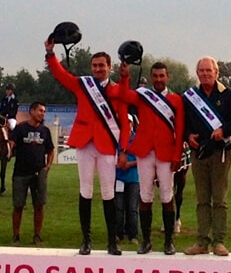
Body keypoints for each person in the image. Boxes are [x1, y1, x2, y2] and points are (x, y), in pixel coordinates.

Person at [45, 38, 129, 256]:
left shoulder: (118, 90)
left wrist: (124, 149)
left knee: (108, 193)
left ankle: (112, 242)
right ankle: (86, 240)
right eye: (95, 66)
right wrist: (50, 54)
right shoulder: (83, 85)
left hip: (107, 145)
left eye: (102, 65)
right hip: (84, 143)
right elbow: (62, 76)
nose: (98, 69)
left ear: (109, 67)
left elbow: (124, 123)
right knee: (85, 190)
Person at [118, 61, 185, 255]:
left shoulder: (176, 100)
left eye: (161, 76)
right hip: (145, 152)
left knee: (167, 195)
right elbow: (123, 95)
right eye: (155, 76)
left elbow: (179, 130)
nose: (158, 80)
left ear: (167, 77)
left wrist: (177, 154)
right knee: (145, 195)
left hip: (166, 152)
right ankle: (146, 241)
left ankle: (168, 242)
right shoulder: (142, 96)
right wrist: (124, 77)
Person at [182, 56, 231, 256]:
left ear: (216, 73)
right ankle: (202, 241)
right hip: (198, 152)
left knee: (219, 199)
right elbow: (182, 122)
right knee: (202, 200)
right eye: (202, 71)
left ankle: (219, 241)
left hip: (220, 153)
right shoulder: (190, 97)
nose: (205, 74)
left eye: (209, 71)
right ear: (197, 73)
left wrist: (224, 130)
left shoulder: (228, 94)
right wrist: (187, 135)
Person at [10, 101, 55, 245]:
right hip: (21, 173)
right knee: (18, 205)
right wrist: (10, 147)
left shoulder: (45, 131)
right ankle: (16, 236)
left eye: (44, 111)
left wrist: (47, 166)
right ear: (32, 111)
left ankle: (37, 235)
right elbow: (11, 144)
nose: (42, 114)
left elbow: (51, 150)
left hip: (39, 172)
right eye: (40, 110)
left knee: (39, 205)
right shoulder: (20, 128)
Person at [115, 114, 140, 245]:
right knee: (118, 207)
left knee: (132, 207)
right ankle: (118, 234)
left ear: (132, 124)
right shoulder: (116, 139)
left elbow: (142, 158)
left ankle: (133, 235)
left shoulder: (137, 139)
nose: (127, 125)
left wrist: (130, 164)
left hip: (134, 178)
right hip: (119, 176)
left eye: (129, 122)